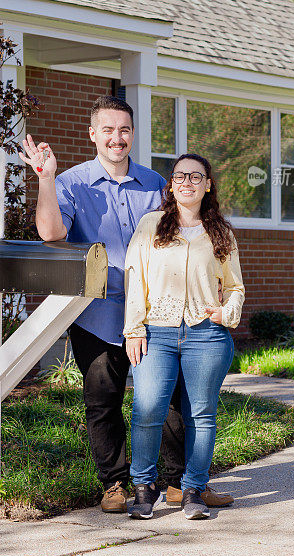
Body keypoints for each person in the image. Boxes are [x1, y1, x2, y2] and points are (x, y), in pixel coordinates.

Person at [20, 96, 193, 513]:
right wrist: (46, 179)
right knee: (103, 400)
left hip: (155, 313)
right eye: (109, 130)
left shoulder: (155, 184)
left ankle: (174, 482)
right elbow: (50, 232)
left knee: (169, 398)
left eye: (125, 130)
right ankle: (114, 484)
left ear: (132, 134)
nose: (118, 138)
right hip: (96, 314)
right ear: (93, 134)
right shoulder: (71, 183)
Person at [123, 153, 245, 520]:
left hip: (207, 335)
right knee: (147, 411)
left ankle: (194, 489)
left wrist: (228, 312)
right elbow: (134, 278)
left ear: (208, 184)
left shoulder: (221, 232)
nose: (187, 182)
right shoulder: (151, 225)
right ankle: (144, 489)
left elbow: (235, 286)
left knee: (202, 416)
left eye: (196, 176)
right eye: (180, 176)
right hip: (155, 333)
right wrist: (133, 328)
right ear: (171, 185)